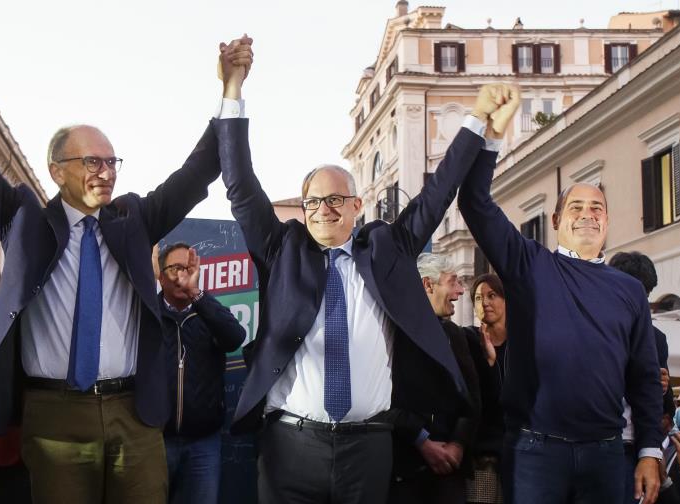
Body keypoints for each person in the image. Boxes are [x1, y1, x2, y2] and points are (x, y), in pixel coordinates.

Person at [0, 1, 253, 501]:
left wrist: (230, 89)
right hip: (52, 417)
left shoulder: (133, 219)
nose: (107, 171)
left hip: (134, 412)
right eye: (92, 161)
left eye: (112, 161)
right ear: (57, 170)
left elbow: (198, 170)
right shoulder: (24, 218)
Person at [216, 76, 509, 502]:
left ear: (357, 205)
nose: (324, 209)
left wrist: (476, 119)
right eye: (313, 202)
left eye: (335, 199)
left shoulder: (389, 249)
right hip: (290, 447)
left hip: (369, 447)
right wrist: (232, 92)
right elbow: (241, 188)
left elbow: (438, 191)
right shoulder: (283, 251)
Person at [457, 85, 664, 504]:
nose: (587, 214)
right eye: (576, 208)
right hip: (535, 451)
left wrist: (649, 451)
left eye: (597, 208)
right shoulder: (528, 263)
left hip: (607, 452)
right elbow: (475, 202)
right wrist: (492, 135)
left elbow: (644, 378)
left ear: (607, 222)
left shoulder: (629, 290)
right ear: (555, 221)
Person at [157, 243, 247, 504]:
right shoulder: (147, 313)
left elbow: (234, 338)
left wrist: (196, 294)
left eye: (188, 268)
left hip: (203, 444)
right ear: (161, 276)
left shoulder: (208, 312)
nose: (181, 275)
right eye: (174, 268)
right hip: (155, 442)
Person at [388, 253, 481, 503]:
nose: (461, 291)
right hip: (403, 470)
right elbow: (383, 399)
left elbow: (471, 399)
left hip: (449, 472)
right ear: (428, 285)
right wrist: (423, 442)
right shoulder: (391, 333)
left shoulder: (455, 334)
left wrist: (458, 445)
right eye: (453, 282)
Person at [609, 251, 673, 504]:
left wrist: (663, 389)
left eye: (645, 294)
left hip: (631, 449)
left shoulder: (656, 339)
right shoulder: (589, 326)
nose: (640, 302)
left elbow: (666, 411)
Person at [466, 273, 508, 504]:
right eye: (479, 298)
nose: (485, 303)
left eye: (492, 295)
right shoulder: (468, 340)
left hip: (521, 453)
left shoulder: (523, 344)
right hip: (483, 455)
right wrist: (488, 364)